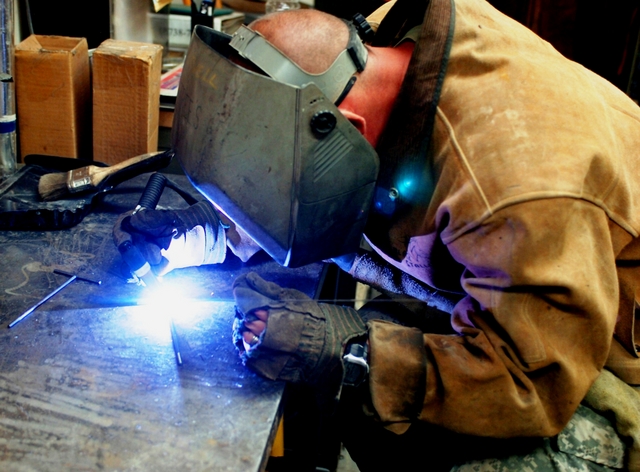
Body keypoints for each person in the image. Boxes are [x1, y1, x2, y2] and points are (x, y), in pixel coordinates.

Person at [114, 0, 640, 470]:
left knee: (403, 414)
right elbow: (331, 193)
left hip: (586, 350)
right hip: (513, 275)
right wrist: (214, 229)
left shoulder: (517, 190)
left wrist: (349, 351)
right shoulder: (379, 47)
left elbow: (529, 384)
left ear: (347, 127)